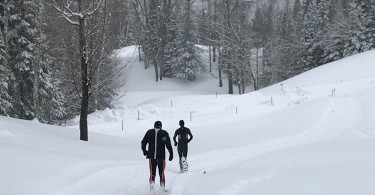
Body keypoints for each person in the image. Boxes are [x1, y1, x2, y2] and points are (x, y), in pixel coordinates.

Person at [141, 121, 173, 190]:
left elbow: (143, 142)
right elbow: (168, 144)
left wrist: (144, 150)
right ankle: (162, 189)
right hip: (161, 157)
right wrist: (171, 154)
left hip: (152, 157)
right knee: (161, 173)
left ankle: (152, 190)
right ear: (161, 126)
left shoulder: (149, 132)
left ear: (154, 126)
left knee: (152, 174)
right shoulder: (164, 133)